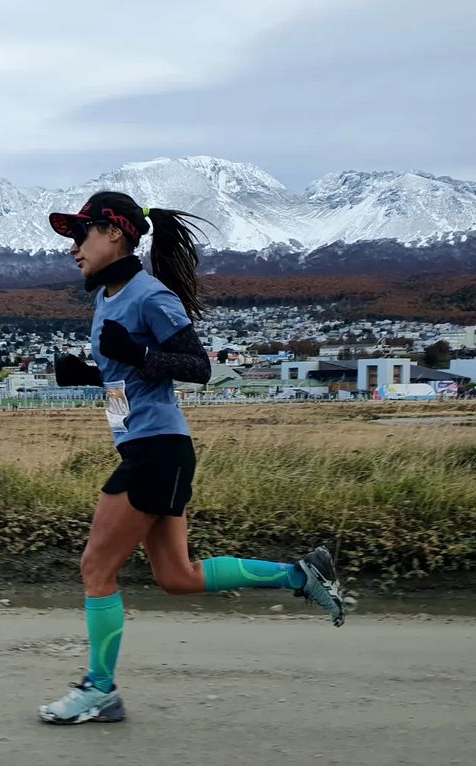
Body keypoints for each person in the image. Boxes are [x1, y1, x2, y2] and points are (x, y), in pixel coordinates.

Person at [38, 191, 344, 725]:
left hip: (157, 452)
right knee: (177, 576)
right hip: (151, 448)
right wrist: (91, 376)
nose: (73, 249)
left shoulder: (149, 295)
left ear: (115, 233)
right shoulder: (108, 298)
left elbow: (197, 366)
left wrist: (134, 354)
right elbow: (130, 385)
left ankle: (100, 690)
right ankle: (298, 575)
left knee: (95, 567)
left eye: (79, 235)